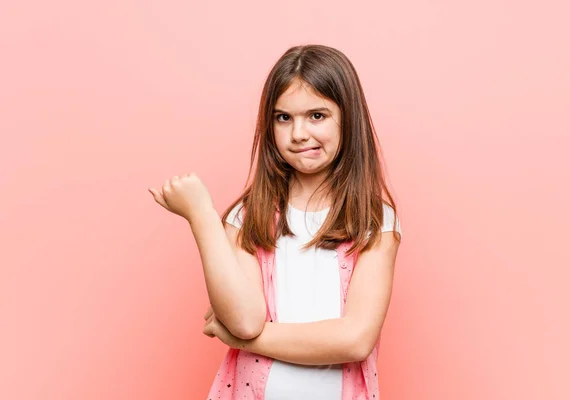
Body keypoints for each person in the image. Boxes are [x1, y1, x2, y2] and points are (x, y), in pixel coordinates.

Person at [148, 44, 402, 400]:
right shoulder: (248, 217)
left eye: (317, 116)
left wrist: (246, 341)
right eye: (284, 117)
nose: (298, 133)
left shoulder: (375, 223)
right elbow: (245, 319)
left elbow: (356, 339)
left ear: (348, 118)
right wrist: (202, 215)